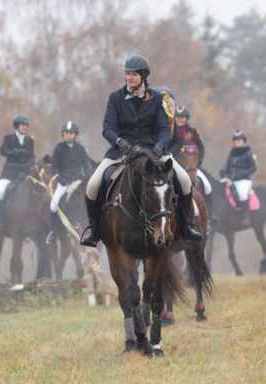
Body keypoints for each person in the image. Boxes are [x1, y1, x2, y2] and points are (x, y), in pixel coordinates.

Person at [80, 55, 202, 247]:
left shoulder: (157, 99)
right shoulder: (115, 98)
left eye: (134, 74)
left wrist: (161, 144)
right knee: (93, 185)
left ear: (143, 76)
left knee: (185, 181)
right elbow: (108, 128)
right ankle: (93, 231)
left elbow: (164, 129)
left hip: (153, 151)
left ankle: (188, 226)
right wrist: (121, 142)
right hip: (121, 152)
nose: (129, 77)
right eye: (127, 73)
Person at [46, 121, 92, 243]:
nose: (68, 135)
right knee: (53, 205)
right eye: (66, 133)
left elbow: (86, 165)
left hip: (77, 181)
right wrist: (59, 178)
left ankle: (93, 228)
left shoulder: (80, 148)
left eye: (71, 133)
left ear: (75, 135)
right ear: (63, 134)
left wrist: (87, 175)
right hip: (63, 181)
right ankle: (53, 232)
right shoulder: (59, 148)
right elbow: (54, 167)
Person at [168, 105, 213, 209]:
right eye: (178, 117)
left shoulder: (192, 132)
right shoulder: (170, 131)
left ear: (186, 119)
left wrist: (198, 162)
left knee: (207, 186)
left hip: (192, 166)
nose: (180, 120)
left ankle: (210, 214)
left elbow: (201, 147)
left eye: (182, 117)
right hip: (176, 164)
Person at [0, 115, 35, 226]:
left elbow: (32, 157)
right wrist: (13, 152)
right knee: (1, 191)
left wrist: (30, 164)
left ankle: (32, 220)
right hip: (9, 173)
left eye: (26, 125)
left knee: (37, 191)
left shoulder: (30, 140)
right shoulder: (8, 138)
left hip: (25, 173)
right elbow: (2, 150)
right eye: (23, 125)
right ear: (17, 126)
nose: (25, 127)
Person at [220, 130, 257, 220]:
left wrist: (239, 175)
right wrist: (224, 175)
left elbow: (253, 168)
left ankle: (245, 216)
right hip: (231, 180)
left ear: (243, 141)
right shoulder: (231, 153)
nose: (237, 142)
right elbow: (226, 167)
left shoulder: (248, 153)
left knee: (242, 194)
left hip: (244, 180)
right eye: (235, 140)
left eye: (239, 140)